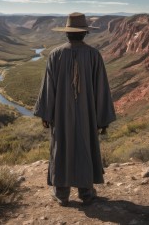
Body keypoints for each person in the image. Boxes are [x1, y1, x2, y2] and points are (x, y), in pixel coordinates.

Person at [33, 12, 116, 206]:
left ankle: (61, 194)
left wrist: (46, 113)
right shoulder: (94, 55)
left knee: (61, 147)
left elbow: (48, 87)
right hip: (87, 114)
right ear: (85, 33)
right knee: (86, 147)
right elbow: (101, 88)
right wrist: (102, 119)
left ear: (67, 34)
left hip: (61, 114)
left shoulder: (56, 54)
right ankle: (86, 193)